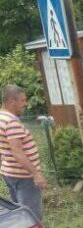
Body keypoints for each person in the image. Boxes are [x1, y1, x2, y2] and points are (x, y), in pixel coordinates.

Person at [0, 84, 47, 220]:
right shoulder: (11, 122)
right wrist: (36, 174)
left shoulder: (2, 117)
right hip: (24, 176)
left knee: (19, 211)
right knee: (31, 215)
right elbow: (17, 152)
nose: (25, 104)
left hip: (10, 173)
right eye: (22, 100)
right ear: (11, 101)